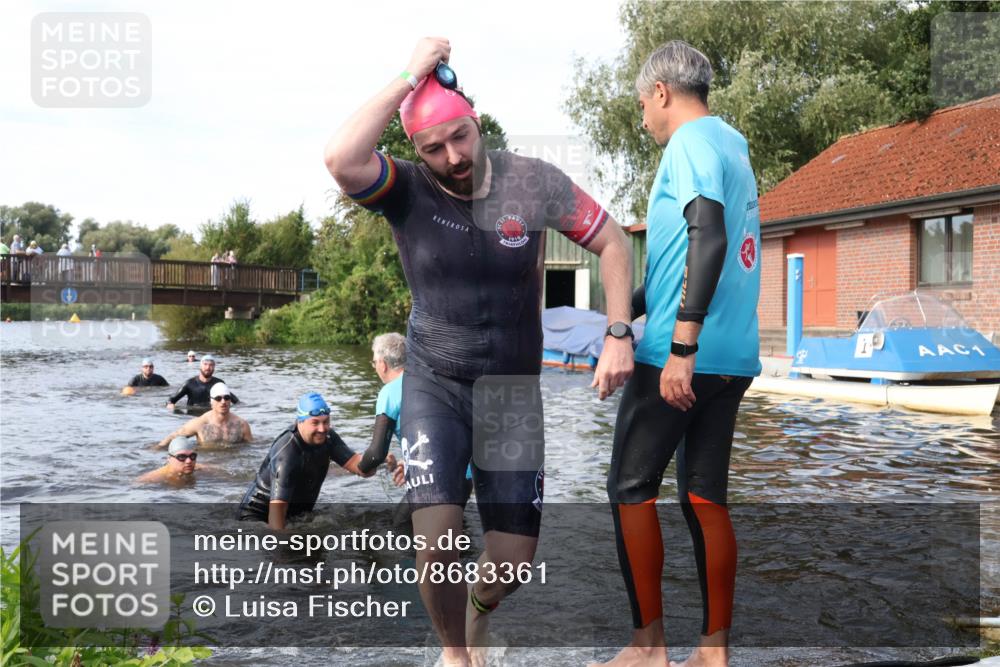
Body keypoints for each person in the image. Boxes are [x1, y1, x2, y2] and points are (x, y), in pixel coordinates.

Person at [323, 37, 634, 666]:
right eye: (433, 148)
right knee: (436, 539)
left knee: (514, 563)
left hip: (510, 393)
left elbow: (615, 243)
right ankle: (457, 656)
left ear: (476, 119)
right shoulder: (405, 190)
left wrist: (618, 332)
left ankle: (476, 616)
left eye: (460, 137)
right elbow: (340, 157)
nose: (452, 156)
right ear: (416, 151)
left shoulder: (533, 181)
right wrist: (409, 76)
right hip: (434, 381)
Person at [593, 41, 762, 667]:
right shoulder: (732, 144)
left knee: (629, 489)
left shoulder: (688, 143)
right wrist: (619, 316)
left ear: (662, 93)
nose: (643, 119)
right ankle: (713, 653)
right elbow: (681, 263)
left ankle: (648, 648)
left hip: (680, 353)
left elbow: (708, 239)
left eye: (643, 105)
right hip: (733, 355)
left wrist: (681, 345)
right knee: (703, 495)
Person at [238, 392, 400, 530]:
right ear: (299, 421)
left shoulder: (328, 437)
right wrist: (280, 548)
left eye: (326, 422)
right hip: (257, 517)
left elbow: (360, 468)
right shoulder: (288, 452)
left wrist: (378, 458)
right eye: (315, 423)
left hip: (294, 514)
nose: (322, 429)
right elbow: (277, 509)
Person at [157, 383, 251, 448]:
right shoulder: (200, 424)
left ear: (230, 400)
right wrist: (156, 449)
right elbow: (174, 436)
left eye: (226, 398)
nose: (223, 402)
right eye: (218, 398)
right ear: (211, 401)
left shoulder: (242, 424)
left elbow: (251, 446)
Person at [166, 354, 238, 410]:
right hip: (193, 416)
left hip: (212, 416)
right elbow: (171, 400)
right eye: (205, 364)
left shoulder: (219, 384)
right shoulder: (189, 383)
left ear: (214, 367)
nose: (208, 367)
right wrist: (170, 405)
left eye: (211, 365)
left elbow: (236, 401)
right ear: (200, 366)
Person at [137, 436, 208, 485]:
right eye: (182, 457)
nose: (188, 461)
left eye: (192, 456)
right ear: (169, 459)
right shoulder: (152, 479)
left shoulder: (199, 468)